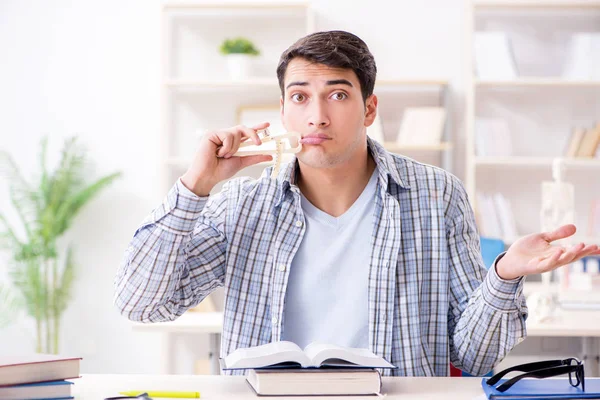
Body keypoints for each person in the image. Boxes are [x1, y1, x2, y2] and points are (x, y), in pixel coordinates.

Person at [114, 30, 599, 376]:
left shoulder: (436, 195)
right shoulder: (242, 203)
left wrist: (505, 275)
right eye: (299, 97)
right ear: (282, 110)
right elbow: (142, 305)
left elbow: (474, 357)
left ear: (369, 108)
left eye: (338, 95)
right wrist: (195, 186)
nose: (317, 116)